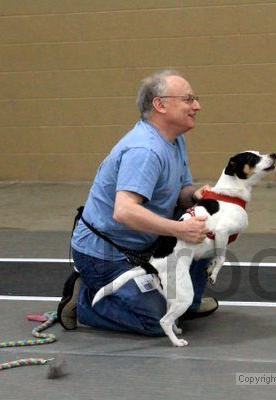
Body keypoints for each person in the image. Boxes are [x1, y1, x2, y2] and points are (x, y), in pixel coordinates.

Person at [57, 69, 218, 336]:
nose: (197, 106)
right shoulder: (145, 150)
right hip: (107, 256)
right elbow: (124, 211)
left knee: (204, 222)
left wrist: (195, 196)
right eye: (188, 100)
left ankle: (186, 302)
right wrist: (180, 229)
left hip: (143, 244)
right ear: (160, 105)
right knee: (158, 323)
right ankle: (85, 300)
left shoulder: (174, 141)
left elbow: (180, 192)